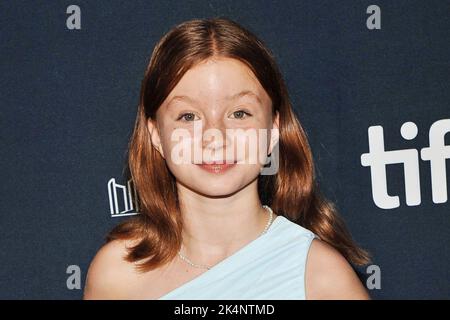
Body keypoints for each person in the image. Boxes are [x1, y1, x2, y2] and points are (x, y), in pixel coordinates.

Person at [83, 17, 371, 300]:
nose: (215, 136)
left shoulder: (320, 278)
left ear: (273, 129)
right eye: (188, 116)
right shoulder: (118, 275)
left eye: (239, 113)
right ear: (156, 133)